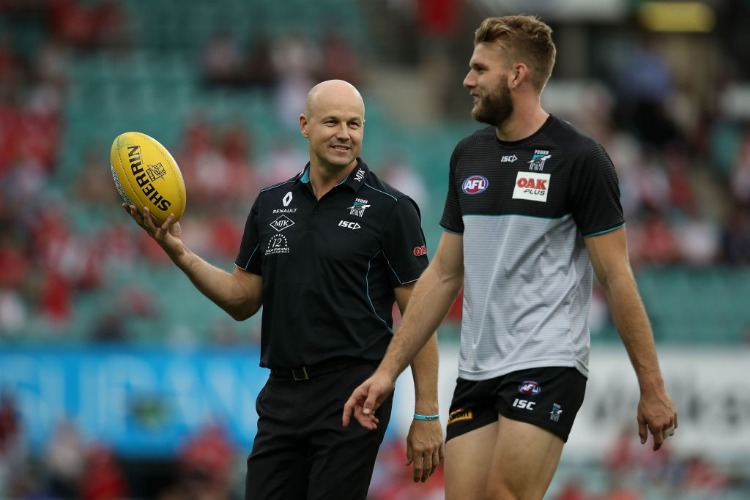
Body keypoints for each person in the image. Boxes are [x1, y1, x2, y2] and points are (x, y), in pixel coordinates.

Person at [343, 15, 678, 500]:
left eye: (480, 68)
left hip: (548, 361)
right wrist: (387, 372)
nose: (467, 80)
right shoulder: (467, 155)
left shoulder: (581, 159)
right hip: (478, 370)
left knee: (506, 494)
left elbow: (616, 275)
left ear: (517, 75)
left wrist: (652, 385)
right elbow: (442, 275)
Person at [123, 79, 443, 499]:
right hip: (281, 394)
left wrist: (426, 413)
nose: (344, 134)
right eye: (331, 122)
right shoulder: (270, 202)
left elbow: (421, 314)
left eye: (354, 124)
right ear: (304, 125)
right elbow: (242, 299)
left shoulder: (392, 208)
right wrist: (180, 254)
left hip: (353, 393)